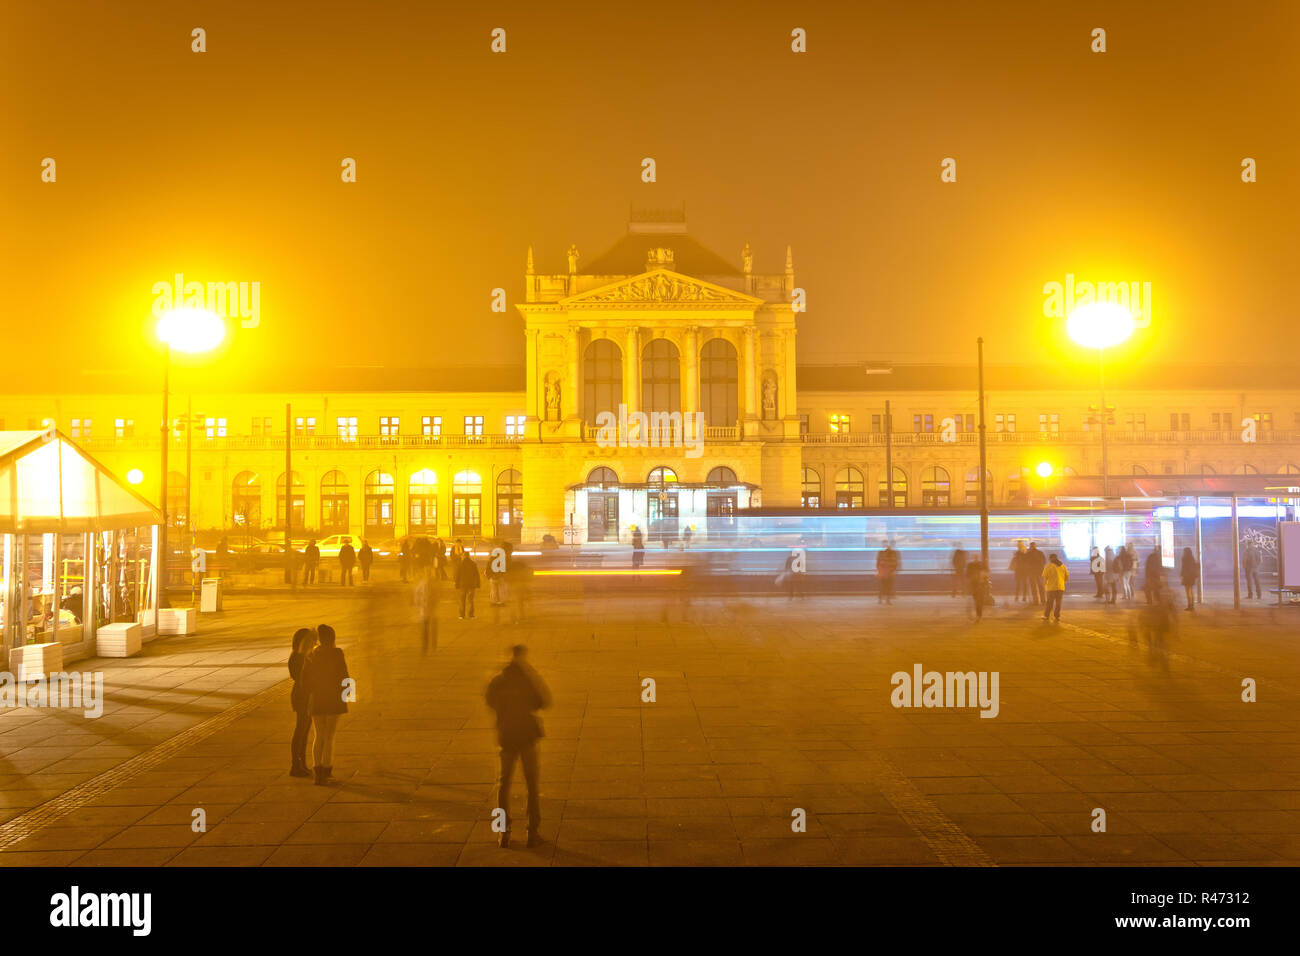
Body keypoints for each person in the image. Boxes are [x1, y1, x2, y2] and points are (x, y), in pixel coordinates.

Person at [485, 645, 552, 848]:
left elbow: (490, 700)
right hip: (526, 737)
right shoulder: (528, 679)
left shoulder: (498, 680)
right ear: (523, 657)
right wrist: (532, 673)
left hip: (506, 737)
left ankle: (503, 833)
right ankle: (532, 832)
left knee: (503, 785)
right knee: (531, 784)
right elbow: (545, 701)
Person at [301, 623, 349, 785]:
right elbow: (345, 677)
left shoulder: (311, 655)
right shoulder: (337, 654)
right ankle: (327, 769)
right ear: (333, 638)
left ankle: (317, 771)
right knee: (330, 736)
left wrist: (312, 694)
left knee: (318, 735)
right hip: (334, 700)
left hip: (317, 700)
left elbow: (304, 681)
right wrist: (348, 695)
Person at [287, 627, 316, 778]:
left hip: (308, 697)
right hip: (301, 697)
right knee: (300, 730)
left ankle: (302, 763)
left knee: (305, 732)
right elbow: (300, 678)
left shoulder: (307, 656)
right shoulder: (297, 658)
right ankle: (295, 765)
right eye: (308, 641)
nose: (311, 644)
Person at [413, 569, 439, 652]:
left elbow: (417, 594)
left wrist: (418, 603)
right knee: (427, 628)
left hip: (429, 609)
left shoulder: (425, 584)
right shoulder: (426, 584)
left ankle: (430, 645)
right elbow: (417, 594)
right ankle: (427, 645)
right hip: (427, 609)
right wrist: (418, 603)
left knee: (429, 628)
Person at [1042, 553, 1068, 622]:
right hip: (1060, 587)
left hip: (1051, 587)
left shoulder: (1049, 566)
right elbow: (1067, 576)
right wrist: (1062, 582)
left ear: (1050, 558)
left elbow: (1045, 577)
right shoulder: (1063, 566)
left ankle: (1046, 615)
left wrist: (1044, 585)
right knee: (1058, 602)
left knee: (1049, 602)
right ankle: (1057, 616)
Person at [456, 546, 481, 619]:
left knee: (462, 600)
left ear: (463, 556)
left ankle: (461, 615)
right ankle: (471, 615)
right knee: (470, 600)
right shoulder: (473, 564)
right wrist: (477, 584)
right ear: (469, 556)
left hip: (463, 585)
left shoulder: (460, 564)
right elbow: (476, 575)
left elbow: (457, 575)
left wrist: (457, 584)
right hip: (471, 585)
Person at [967, 557, 990, 622]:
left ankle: (979, 615)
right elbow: (987, 574)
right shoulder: (972, 566)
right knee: (978, 600)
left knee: (978, 601)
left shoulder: (973, 566)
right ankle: (979, 615)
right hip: (978, 585)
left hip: (978, 586)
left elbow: (967, 575)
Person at [1180, 546, 1200, 611]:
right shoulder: (1192, 558)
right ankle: (1192, 605)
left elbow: (1183, 568)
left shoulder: (1184, 558)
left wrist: (1182, 575)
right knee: (1191, 591)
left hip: (1186, 577)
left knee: (1187, 592)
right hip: (1191, 577)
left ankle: (1189, 605)